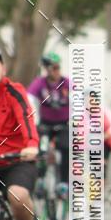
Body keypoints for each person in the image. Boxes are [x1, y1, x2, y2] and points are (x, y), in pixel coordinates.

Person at [0, 50, 40, 220]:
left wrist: (31, 145)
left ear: (3, 68)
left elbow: (27, 119)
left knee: (18, 195)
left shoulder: (14, 92)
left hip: (16, 161)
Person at [28, 52, 70, 194]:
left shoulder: (67, 83)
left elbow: (80, 101)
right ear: (47, 69)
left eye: (59, 67)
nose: (58, 71)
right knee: (42, 149)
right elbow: (30, 100)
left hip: (64, 124)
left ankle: (64, 182)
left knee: (66, 149)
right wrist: (34, 120)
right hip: (45, 124)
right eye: (54, 68)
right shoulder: (39, 83)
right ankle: (40, 179)